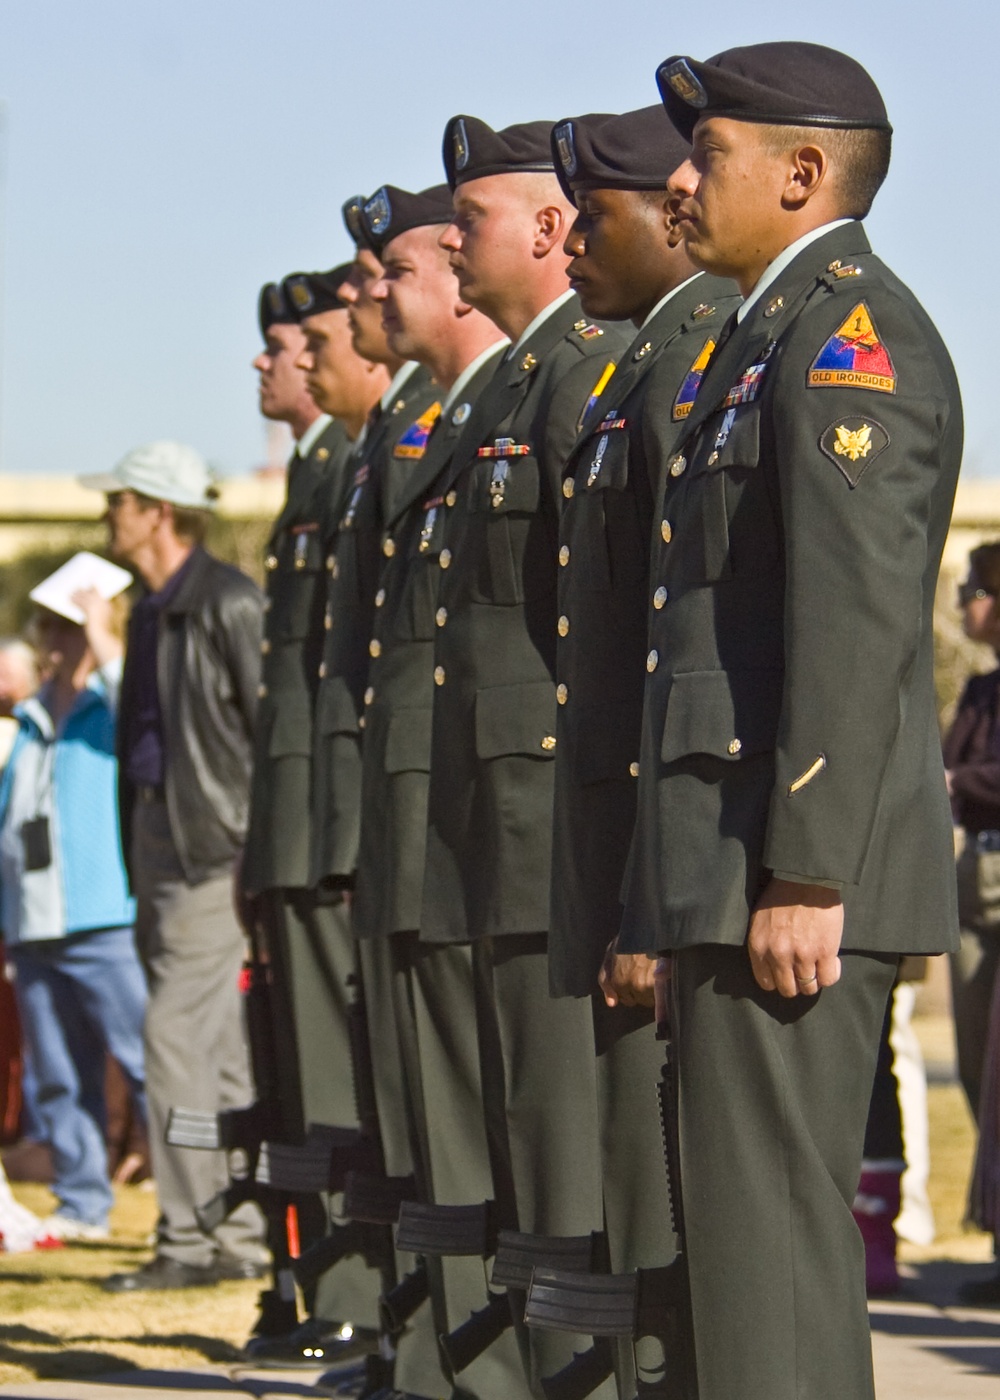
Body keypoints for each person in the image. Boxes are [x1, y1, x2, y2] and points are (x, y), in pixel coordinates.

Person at [619, 43, 962, 1400]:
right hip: (731, 855)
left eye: (709, 153)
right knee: (731, 1253)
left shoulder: (848, 336)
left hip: (790, 865)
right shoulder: (761, 336)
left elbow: (853, 617)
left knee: (773, 1253)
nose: (681, 180)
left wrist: (807, 868)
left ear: (805, 174)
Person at [527, 106, 741, 1399]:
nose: (573, 254)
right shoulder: (635, 368)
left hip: (690, 855)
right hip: (618, 845)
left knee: (699, 1206)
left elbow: (729, 642)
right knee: (617, 1172)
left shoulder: (701, 357)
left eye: (589, 219)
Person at [415, 115, 628, 1398]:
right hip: (489, 811)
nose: (447, 243)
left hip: (547, 809)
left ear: (548, 229)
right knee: (507, 1126)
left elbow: (590, 624)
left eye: (469, 218)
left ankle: (569, 1382)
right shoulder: (504, 384)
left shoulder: (580, 371)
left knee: (556, 1136)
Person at [353, 181, 513, 1400]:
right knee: (422, 1105)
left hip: (488, 812)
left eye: (397, 269)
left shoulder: (514, 400)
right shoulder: (431, 420)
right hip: (419, 801)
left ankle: (481, 1362)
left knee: (486, 1116)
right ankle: (431, 1353)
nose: (384, 290)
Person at [78, 441, 269, 1292]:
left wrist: (253, 855)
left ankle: (190, 1241)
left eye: (119, 499)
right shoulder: (151, 609)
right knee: (212, 1048)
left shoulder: (228, 603)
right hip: (159, 843)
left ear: (157, 510)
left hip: (210, 851)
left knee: (172, 1039)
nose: (108, 513)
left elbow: (270, 743)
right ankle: (239, 1235)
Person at [238, 275, 383, 1362]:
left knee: (340, 1073)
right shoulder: (316, 470)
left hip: (331, 815)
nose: (268, 361)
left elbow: (352, 679)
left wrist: (335, 836)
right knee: (303, 1071)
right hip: (295, 815)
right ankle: (323, 1282)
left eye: (285, 342)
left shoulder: (351, 462)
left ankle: (357, 1296)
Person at [0, 585, 146, 1244]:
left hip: (104, 916)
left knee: (146, 1063)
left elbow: (142, 700)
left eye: (71, 629)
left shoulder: (112, 704)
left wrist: (103, 629)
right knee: (58, 1076)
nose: (59, 642)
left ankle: (194, 1209)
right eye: (50, 629)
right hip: (34, 923)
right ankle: (82, 1201)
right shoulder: (27, 719)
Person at [943, 542, 1000, 1304]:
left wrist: (957, 779)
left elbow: (951, 774)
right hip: (973, 886)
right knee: (976, 1065)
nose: (964, 604)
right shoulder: (981, 692)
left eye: (974, 589)